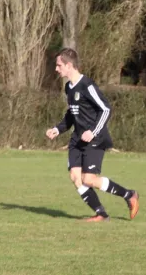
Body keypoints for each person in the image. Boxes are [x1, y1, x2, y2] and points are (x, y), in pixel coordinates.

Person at [45, 48, 139, 222]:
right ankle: (101, 214)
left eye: (59, 65)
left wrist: (93, 131)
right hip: (77, 139)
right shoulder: (69, 88)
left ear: (69, 65)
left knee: (89, 179)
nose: (56, 69)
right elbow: (72, 114)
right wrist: (57, 129)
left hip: (95, 138)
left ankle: (129, 195)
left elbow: (106, 109)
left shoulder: (87, 85)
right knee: (75, 177)